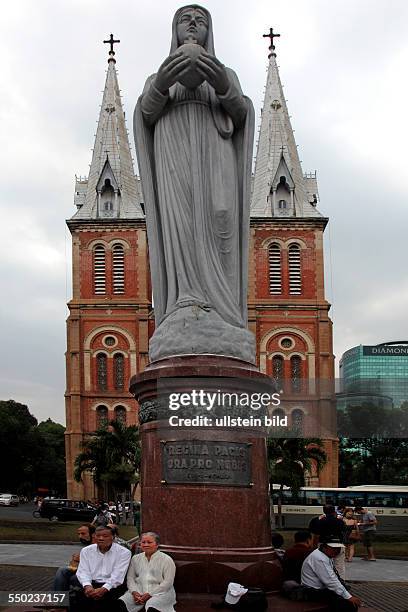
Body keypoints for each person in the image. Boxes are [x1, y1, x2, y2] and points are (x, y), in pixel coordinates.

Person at [134, 5, 255, 362]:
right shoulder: (161, 74)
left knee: (221, 220)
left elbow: (242, 113)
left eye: (201, 21)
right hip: (174, 154)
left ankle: (224, 310)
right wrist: (160, 83)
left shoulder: (225, 72)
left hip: (215, 153)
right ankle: (184, 301)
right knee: (182, 225)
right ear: (174, 30)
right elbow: (145, 114)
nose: (193, 25)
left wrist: (221, 84)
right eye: (186, 19)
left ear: (209, 32)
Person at [71, 525, 131, 611]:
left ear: (113, 537)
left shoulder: (124, 552)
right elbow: (83, 571)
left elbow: (118, 574)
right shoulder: (86, 550)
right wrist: (87, 586)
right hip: (91, 584)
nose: (101, 538)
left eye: (105, 536)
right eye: (98, 536)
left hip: (112, 586)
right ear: (94, 536)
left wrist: (104, 588)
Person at [118, 531, 176, 612]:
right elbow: (130, 578)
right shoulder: (135, 558)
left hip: (161, 592)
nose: (146, 545)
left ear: (157, 544)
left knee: (152, 606)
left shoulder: (166, 560)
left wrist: (150, 594)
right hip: (139, 590)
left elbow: (168, 582)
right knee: (121, 603)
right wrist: (134, 592)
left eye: (149, 542)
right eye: (143, 542)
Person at [301, 540, 362, 611]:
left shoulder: (324, 554)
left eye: (339, 548)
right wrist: (348, 597)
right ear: (324, 547)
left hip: (319, 590)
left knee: (346, 601)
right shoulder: (320, 558)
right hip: (313, 592)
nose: (337, 551)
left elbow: (332, 578)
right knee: (347, 605)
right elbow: (331, 581)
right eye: (334, 548)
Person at [52, 524, 96, 591]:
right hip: (85, 573)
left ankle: (59, 598)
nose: (80, 536)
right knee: (65, 573)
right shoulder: (86, 548)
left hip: (97, 576)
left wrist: (82, 560)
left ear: (93, 534)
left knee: (63, 571)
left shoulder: (99, 546)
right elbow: (73, 566)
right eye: (79, 534)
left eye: (83, 533)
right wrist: (75, 561)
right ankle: (62, 597)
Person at [309, 504, 346, 579]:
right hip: (339, 544)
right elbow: (344, 532)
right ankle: (340, 582)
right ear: (334, 511)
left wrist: (313, 547)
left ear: (324, 511)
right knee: (339, 566)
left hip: (324, 545)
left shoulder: (319, 521)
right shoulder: (340, 521)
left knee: (323, 565)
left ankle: (324, 581)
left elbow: (316, 535)